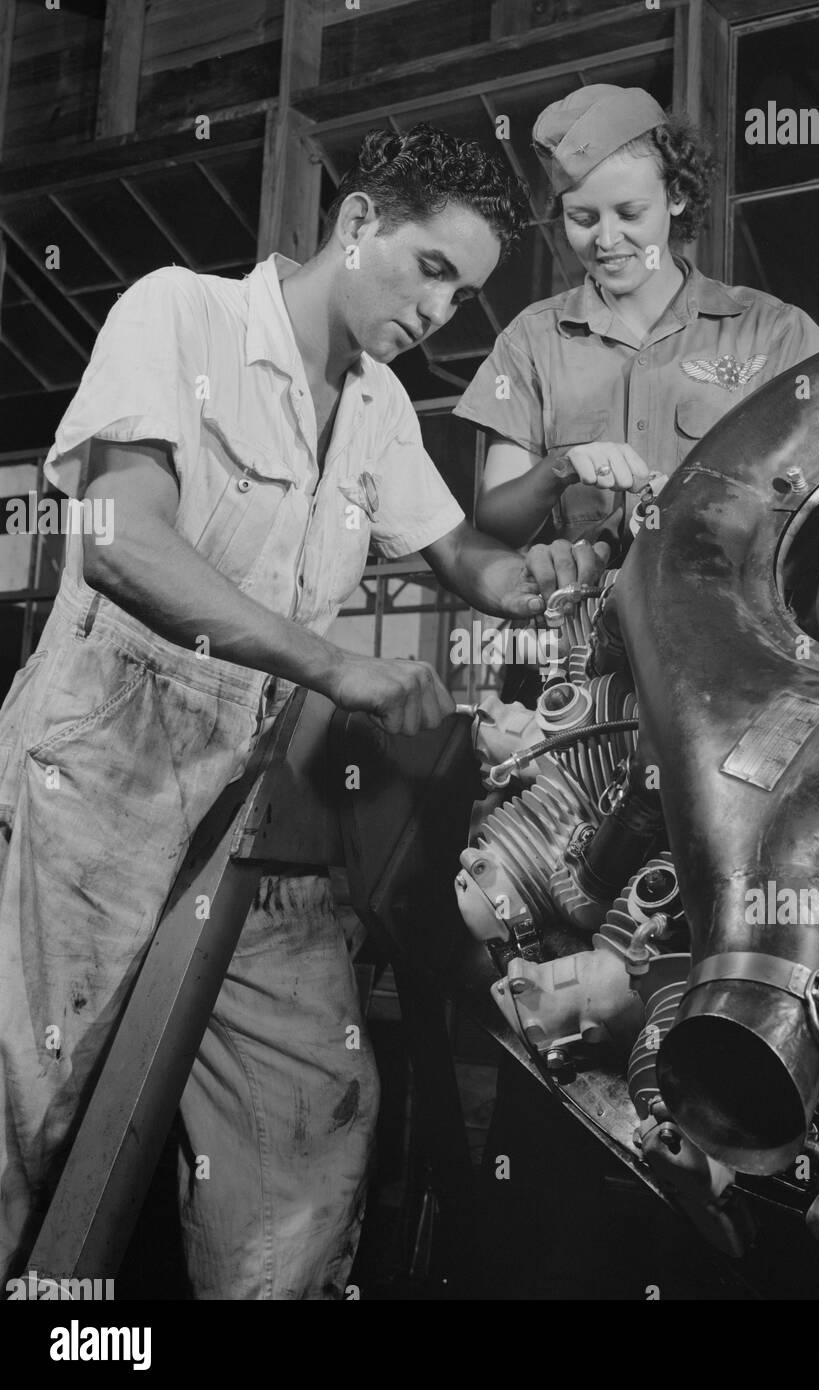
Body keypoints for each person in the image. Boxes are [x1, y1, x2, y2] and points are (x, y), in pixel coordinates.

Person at [0, 123, 608, 1299]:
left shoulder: (378, 408)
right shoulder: (182, 316)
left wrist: (576, 511)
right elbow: (123, 546)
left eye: (466, 293)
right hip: (100, 778)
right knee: (25, 1107)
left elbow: (474, 564)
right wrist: (335, 665)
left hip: (246, 813)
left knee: (308, 1113)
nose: (443, 312)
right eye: (434, 269)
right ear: (359, 222)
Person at [456, 84, 819, 556]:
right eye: (583, 218)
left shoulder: (776, 333)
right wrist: (561, 467)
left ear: (676, 195)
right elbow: (496, 525)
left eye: (630, 213)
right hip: (585, 621)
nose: (607, 239)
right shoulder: (530, 343)